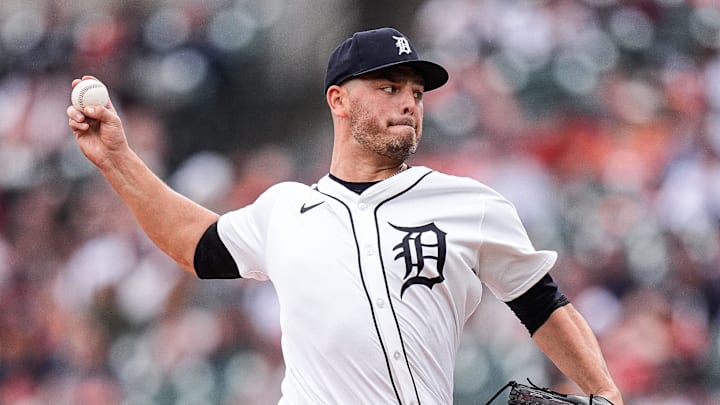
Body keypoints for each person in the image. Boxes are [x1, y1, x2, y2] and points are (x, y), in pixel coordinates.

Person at [67, 27, 623, 405]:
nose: (408, 101)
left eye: (416, 92)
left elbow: (543, 303)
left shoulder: (469, 205)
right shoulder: (284, 209)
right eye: (388, 87)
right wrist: (117, 159)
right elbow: (192, 242)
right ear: (338, 100)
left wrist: (606, 395)